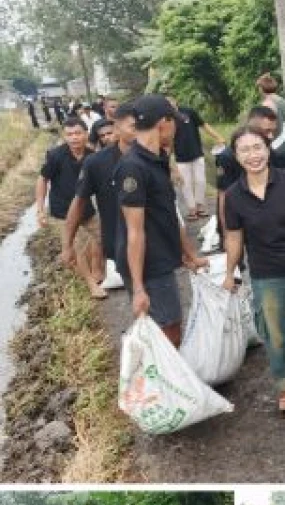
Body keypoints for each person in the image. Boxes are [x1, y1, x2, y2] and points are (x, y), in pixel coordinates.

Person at [222, 125, 285, 411]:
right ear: (236, 156)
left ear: (268, 149)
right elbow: (234, 237)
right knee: (273, 332)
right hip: (265, 272)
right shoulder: (233, 195)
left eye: (258, 148)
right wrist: (230, 272)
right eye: (245, 150)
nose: (253, 155)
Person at [114, 94, 207, 347]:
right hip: (148, 264)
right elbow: (134, 232)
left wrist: (189, 253)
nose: (177, 127)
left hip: (162, 256)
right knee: (166, 330)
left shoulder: (158, 159)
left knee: (171, 323)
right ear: (163, 123)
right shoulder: (132, 167)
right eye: (174, 121)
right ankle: (162, 382)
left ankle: (165, 378)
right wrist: (139, 287)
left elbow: (168, 214)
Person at [64, 104, 138, 296]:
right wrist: (67, 245)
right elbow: (78, 201)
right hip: (121, 242)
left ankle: (99, 272)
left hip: (156, 241)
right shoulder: (95, 163)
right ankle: (94, 279)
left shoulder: (151, 155)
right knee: (140, 297)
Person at [35, 118, 101, 288]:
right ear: (65, 137)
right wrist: (40, 210)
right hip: (62, 210)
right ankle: (91, 284)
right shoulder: (56, 156)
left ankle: (96, 267)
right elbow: (43, 180)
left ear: (86, 134)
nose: (74, 138)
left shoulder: (92, 157)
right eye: (69, 134)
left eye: (78, 133)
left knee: (102, 237)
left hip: (86, 208)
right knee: (76, 245)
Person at [214, 105, 285, 245]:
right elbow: (223, 197)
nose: (270, 136)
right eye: (266, 130)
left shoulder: (270, 153)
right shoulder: (227, 158)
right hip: (237, 223)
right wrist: (227, 236)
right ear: (251, 126)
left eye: (273, 131)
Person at [167, 95, 225, 221]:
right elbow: (168, 140)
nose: (170, 104)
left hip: (197, 153)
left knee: (201, 181)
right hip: (181, 157)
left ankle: (200, 206)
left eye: (171, 101)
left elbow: (204, 125)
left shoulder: (188, 112)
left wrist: (218, 136)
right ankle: (192, 210)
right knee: (185, 184)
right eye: (167, 103)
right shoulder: (167, 119)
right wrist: (169, 158)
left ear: (175, 101)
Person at [256, 72, 285, 170]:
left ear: (261, 89)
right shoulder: (283, 101)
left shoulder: (267, 104)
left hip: (275, 146)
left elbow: (264, 128)